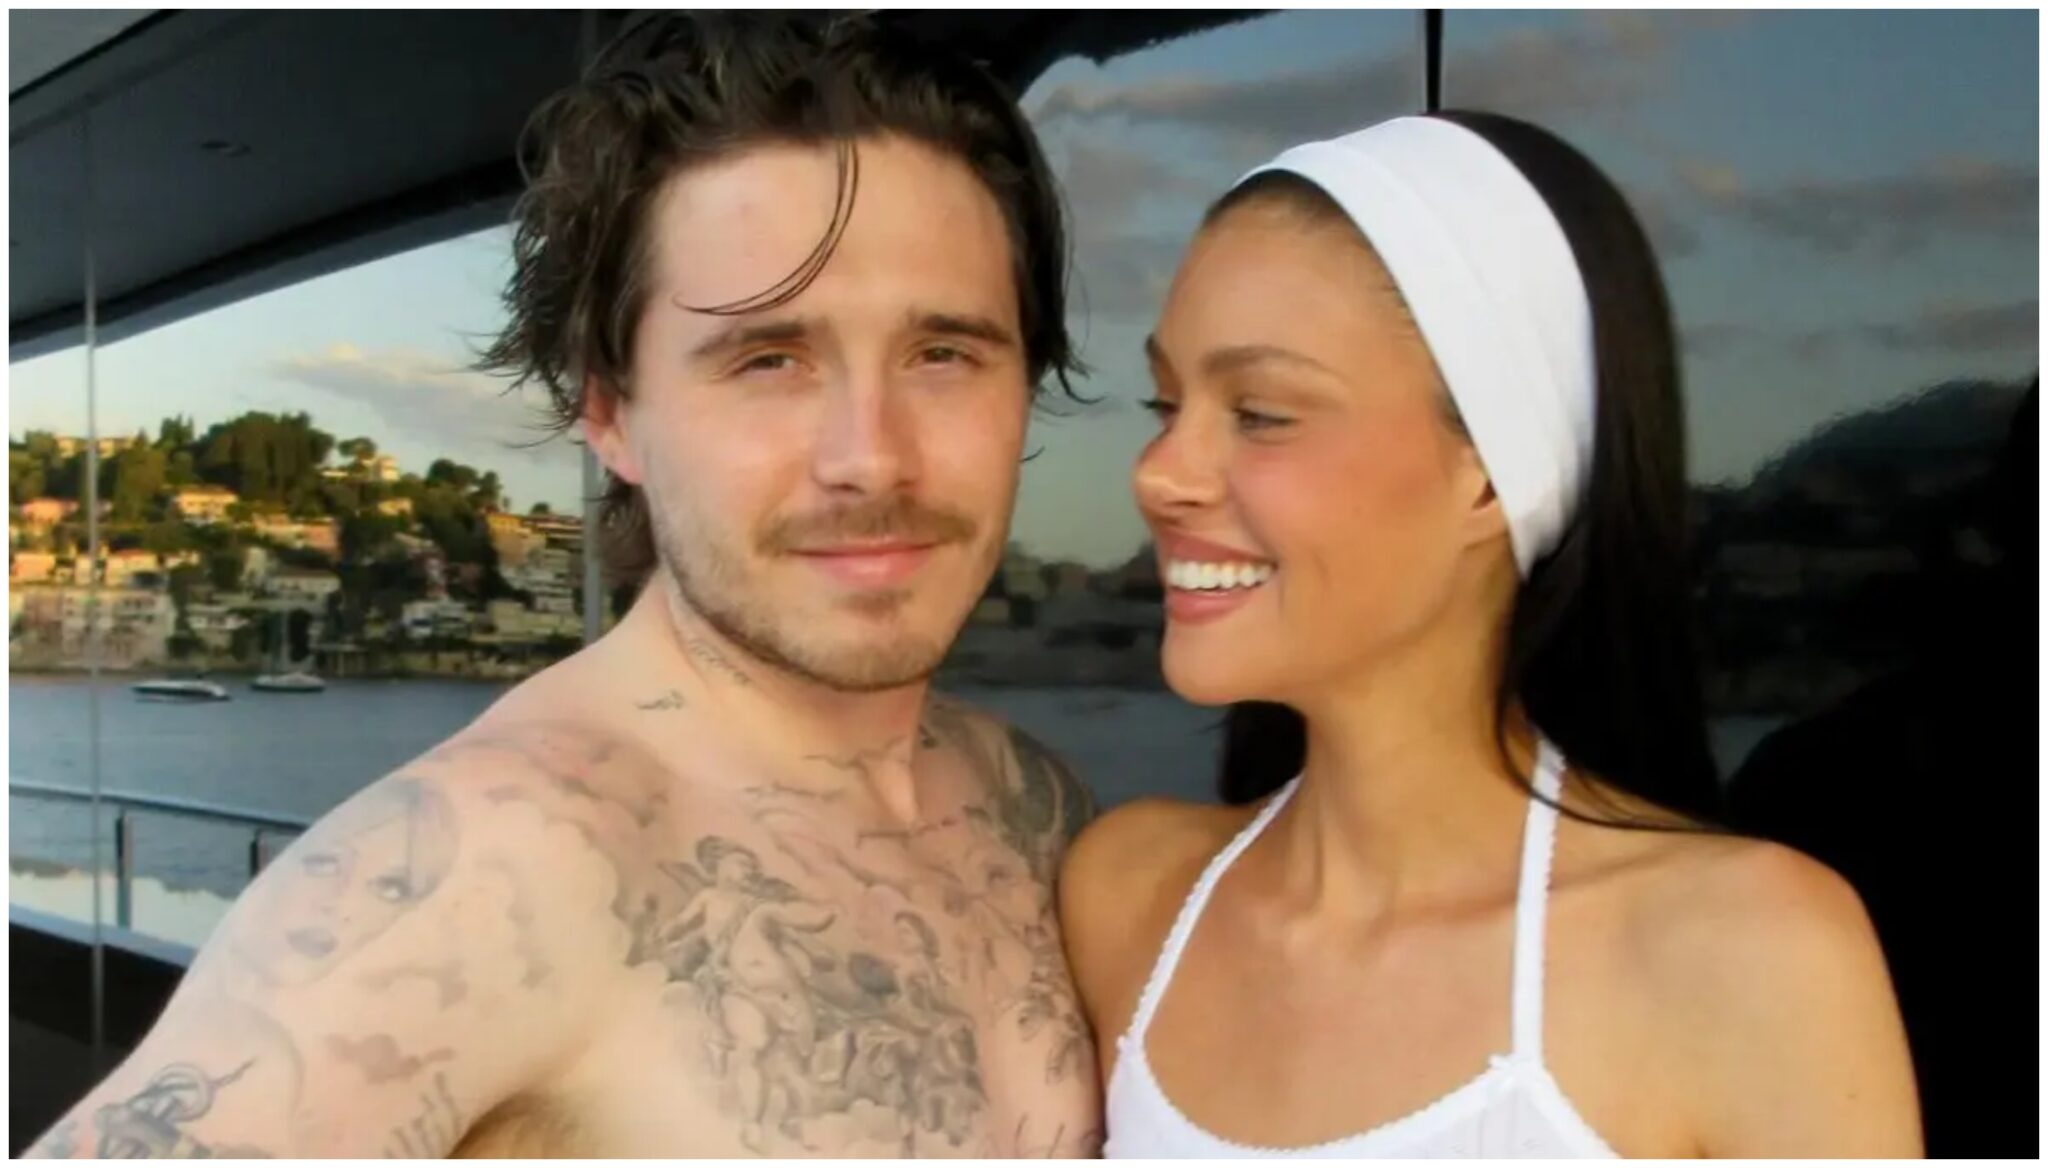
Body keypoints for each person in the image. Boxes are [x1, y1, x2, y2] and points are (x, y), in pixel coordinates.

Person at [26, 12, 1100, 1158]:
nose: (871, 456)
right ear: (608, 412)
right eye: (768, 360)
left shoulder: (1030, 804)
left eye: (943, 354)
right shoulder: (478, 873)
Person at [1060, 111, 1922, 1158]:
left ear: (1488, 475)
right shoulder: (1127, 897)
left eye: (1261, 413)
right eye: (1164, 403)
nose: (1158, 473)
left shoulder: (1748, 956)